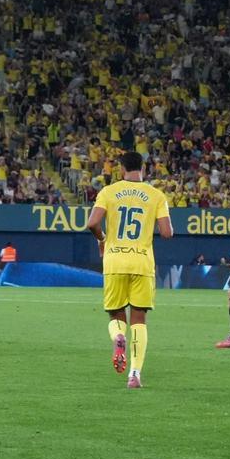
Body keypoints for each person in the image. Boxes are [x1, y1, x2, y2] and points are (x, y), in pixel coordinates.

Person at [86, 151, 173, 389]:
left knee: (116, 315)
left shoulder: (109, 192)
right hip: (142, 263)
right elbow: (167, 232)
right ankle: (134, 374)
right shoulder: (156, 195)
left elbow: (92, 223)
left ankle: (118, 337)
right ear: (143, 168)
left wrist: (102, 239)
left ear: (121, 168)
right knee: (139, 319)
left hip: (114, 261)